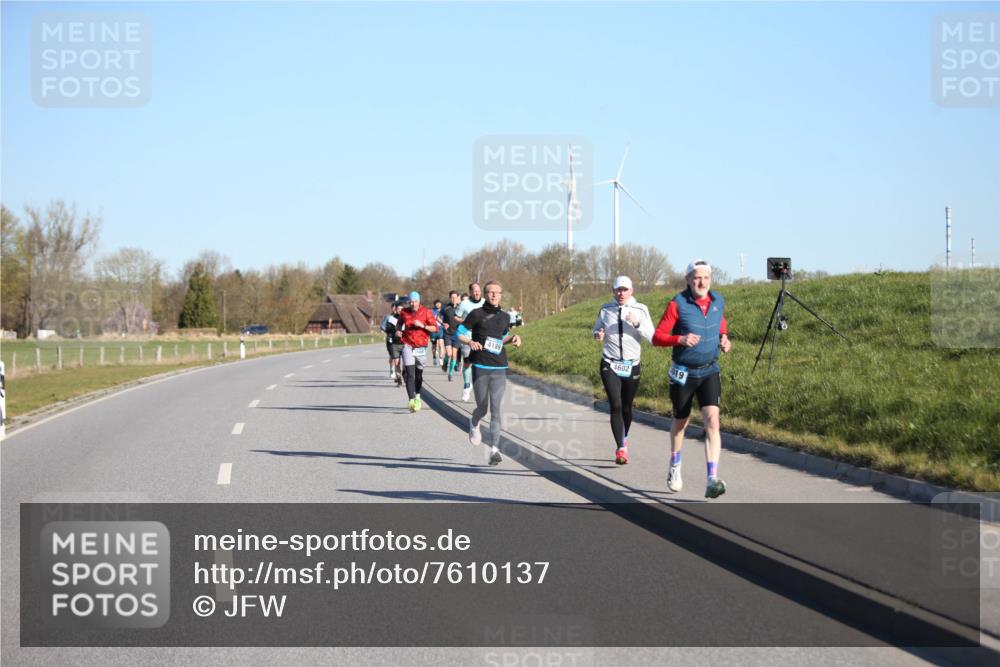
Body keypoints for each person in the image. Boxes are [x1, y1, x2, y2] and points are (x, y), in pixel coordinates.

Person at [652, 259, 732, 499]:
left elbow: (721, 322)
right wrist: (680, 340)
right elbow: (657, 337)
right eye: (697, 277)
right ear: (688, 280)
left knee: (713, 421)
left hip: (709, 370)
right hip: (683, 373)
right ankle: (675, 464)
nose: (702, 282)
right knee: (680, 422)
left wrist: (725, 338)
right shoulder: (677, 303)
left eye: (706, 277)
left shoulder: (718, 300)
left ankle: (712, 479)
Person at [457, 280, 521, 465]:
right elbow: (459, 333)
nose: (494, 295)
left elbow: (501, 337)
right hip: (481, 366)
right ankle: (474, 422)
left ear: (501, 295)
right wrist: (469, 342)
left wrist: (514, 338)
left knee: (496, 408)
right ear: (485, 294)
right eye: (490, 292)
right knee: (483, 407)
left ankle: (494, 449)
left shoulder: (505, 316)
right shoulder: (476, 314)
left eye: (497, 292)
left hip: (500, 366)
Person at [593, 276, 654, 465]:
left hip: (631, 364)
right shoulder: (605, 309)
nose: (621, 293)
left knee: (627, 407)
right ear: (613, 291)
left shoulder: (640, 309)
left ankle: (624, 439)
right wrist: (598, 334)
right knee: (616, 405)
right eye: (618, 290)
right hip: (609, 363)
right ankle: (621, 447)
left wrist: (636, 324)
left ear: (631, 291)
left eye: (625, 290)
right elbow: (597, 329)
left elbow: (652, 337)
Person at [396, 291, 438, 412]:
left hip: (421, 346)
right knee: (410, 373)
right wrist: (398, 331)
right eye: (411, 301)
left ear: (419, 301)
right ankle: (411, 400)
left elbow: (435, 328)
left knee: (419, 374)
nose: (413, 303)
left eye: (415, 301)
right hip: (407, 344)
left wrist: (422, 326)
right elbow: (399, 325)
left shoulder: (426, 312)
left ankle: (418, 395)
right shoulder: (404, 312)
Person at [453, 282, 485, 402]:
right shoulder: (464, 304)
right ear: (470, 292)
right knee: (467, 361)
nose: (476, 293)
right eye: (474, 291)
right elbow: (456, 317)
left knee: (480, 362)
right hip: (467, 337)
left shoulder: (485, 303)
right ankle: (467, 385)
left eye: (478, 290)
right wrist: (466, 322)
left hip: (481, 337)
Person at [379, 302, 404, 384]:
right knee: (394, 358)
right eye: (397, 309)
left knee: (406, 362)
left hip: (405, 343)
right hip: (392, 341)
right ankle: (396, 374)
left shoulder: (407, 318)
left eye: (401, 309)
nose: (399, 310)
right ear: (394, 309)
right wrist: (391, 332)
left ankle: (401, 374)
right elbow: (384, 327)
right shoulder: (389, 318)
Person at [440, 290, 462, 381]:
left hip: (457, 334)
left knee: (454, 355)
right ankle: (445, 362)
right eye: (452, 297)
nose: (453, 299)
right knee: (448, 354)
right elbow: (437, 317)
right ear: (450, 298)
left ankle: (450, 373)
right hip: (448, 333)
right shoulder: (445, 307)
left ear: (458, 298)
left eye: (455, 297)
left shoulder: (461, 308)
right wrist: (442, 323)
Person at [431, 299, 445, 366]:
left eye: (439, 303)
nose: (438, 304)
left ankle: (440, 358)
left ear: (441, 304)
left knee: (441, 344)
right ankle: (434, 358)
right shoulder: (432, 311)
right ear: (434, 304)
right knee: (434, 345)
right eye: (436, 303)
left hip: (441, 329)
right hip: (433, 329)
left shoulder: (443, 310)